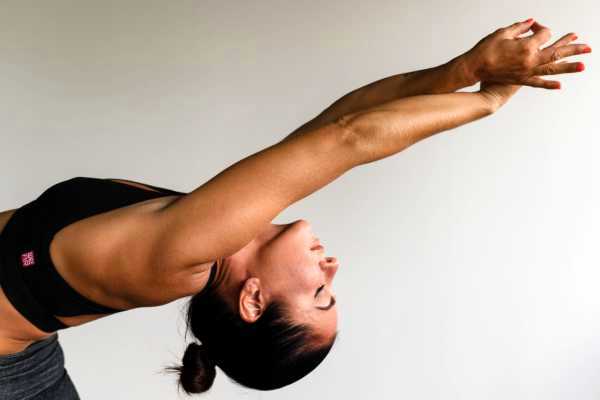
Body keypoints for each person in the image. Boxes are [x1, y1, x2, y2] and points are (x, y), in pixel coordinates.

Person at [0, 18, 590, 398]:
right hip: (30, 362)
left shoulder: (182, 256)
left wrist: (489, 101)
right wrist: (463, 72)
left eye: (320, 293)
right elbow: (343, 119)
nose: (333, 267)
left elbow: (350, 139)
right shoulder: (216, 231)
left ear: (254, 301)